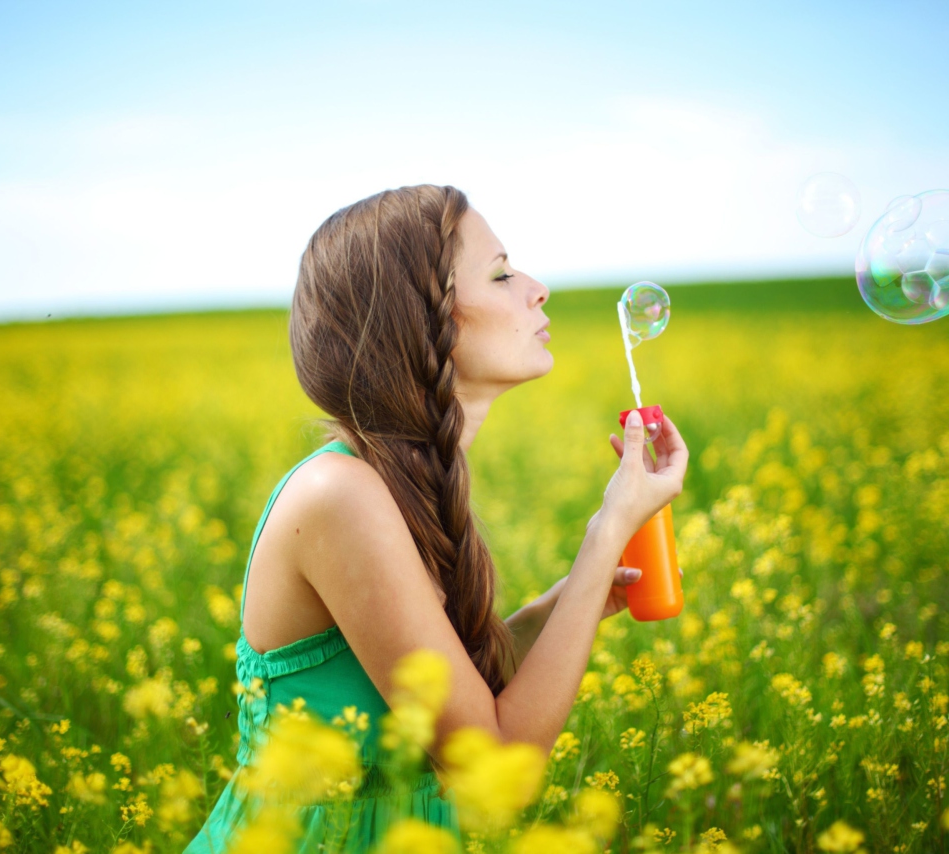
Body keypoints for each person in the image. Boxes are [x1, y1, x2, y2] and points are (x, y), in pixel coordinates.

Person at [184, 184, 688, 853]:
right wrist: (605, 535)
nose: (537, 288)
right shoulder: (341, 496)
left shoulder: (399, 485)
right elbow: (493, 767)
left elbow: (450, 696)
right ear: (422, 319)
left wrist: (569, 604)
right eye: (502, 273)